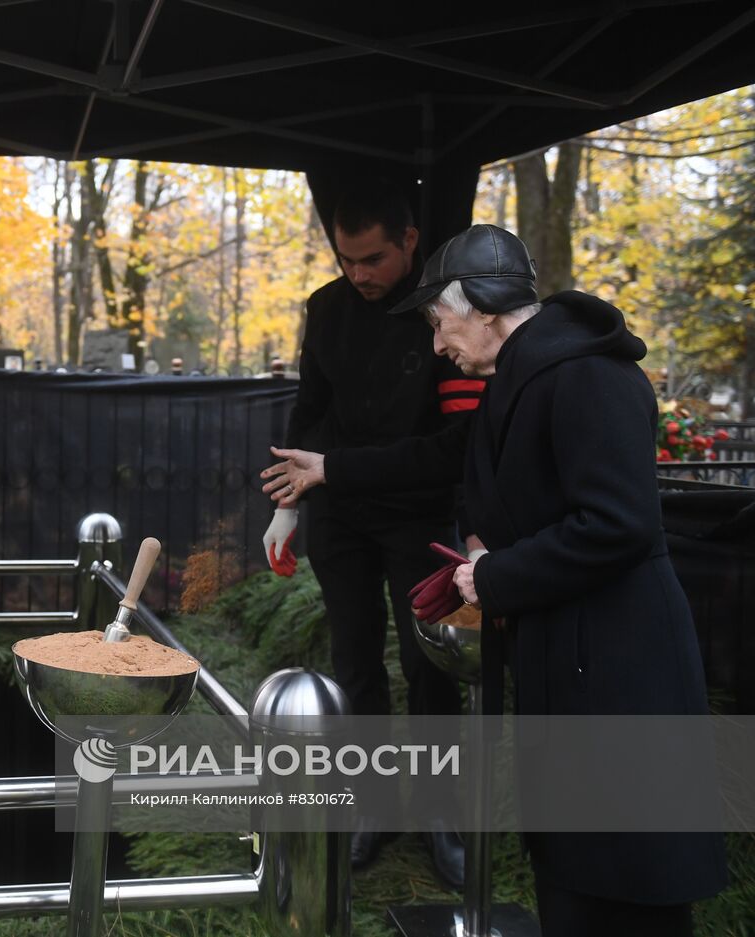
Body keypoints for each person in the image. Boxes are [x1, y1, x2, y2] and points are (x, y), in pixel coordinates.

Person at [262, 224, 726, 935]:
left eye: (439, 321)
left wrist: (498, 571)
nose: (437, 343)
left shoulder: (589, 374)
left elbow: (621, 524)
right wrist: (337, 472)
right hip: (573, 662)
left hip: (623, 672)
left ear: (482, 307)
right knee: (575, 878)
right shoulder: (525, 374)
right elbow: (453, 458)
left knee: (631, 888)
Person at [263, 178, 480, 884]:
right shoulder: (326, 308)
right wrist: (288, 504)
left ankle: (442, 809)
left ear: (410, 242)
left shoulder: (444, 315)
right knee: (354, 664)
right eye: (346, 258)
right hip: (339, 514)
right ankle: (373, 805)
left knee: (428, 667)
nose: (358, 274)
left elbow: (454, 444)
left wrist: (336, 469)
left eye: (374, 259)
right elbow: (309, 406)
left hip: (418, 510)